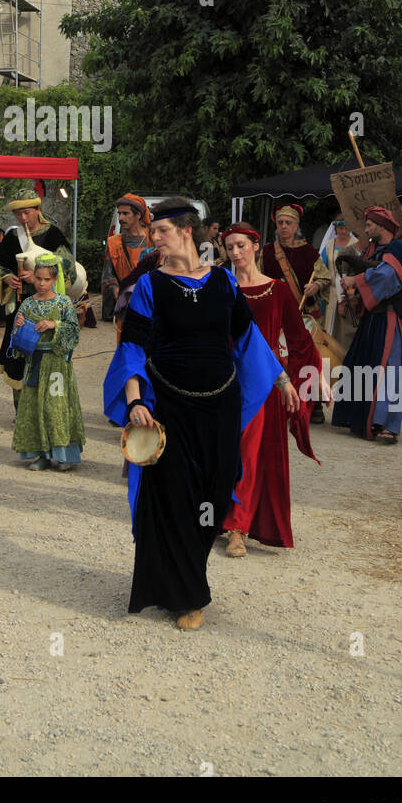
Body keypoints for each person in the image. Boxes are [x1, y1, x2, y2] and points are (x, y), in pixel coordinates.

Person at [103, 198, 298, 630]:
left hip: (219, 406)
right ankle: (188, 593)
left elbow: (248, 339)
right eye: (153, 232)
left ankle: (184, 574)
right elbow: (132, 347)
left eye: (163, 231)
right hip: (167, 408)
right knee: (173, 494)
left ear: (187, 232)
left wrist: (283, 381)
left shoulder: (223, 283)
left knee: (214, 491)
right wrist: (135, 399)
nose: (154, 238)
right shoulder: (151, 285)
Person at [221, 223, 322, 555]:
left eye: (241, 246)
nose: (235, 253)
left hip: (263, 382)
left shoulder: (276, 290)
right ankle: (215, 517)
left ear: (255, 245)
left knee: (250, 454)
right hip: (223, 378)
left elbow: (298, 337)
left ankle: (238, 528)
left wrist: (314, 373)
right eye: (230, 247)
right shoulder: (220, 286)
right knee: (219, 451)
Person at [332, 206, 402, 444]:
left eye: (370, 225)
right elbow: (375, 268)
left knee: (389, 370)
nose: (366, 229)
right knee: (359, 366)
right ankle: (361, 418)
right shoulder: (376, 249)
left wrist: (356, 279)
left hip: (389, 317)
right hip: (372, 317)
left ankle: (389, 425)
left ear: (382, 226)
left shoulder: (397, 248)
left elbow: (388, 277)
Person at [0, 191, 75, 411]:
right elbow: (1, 265)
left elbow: (67, 270)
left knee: (45, 357)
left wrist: (38, 277)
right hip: (20, 309)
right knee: (19, 355)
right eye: (18, 214)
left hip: (47, 308)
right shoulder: (12, 238)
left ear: (38, 211)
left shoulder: (54, 236)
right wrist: (6, 277)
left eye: (27, 213)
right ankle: (22, 411)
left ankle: (46, 410)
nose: (23, 219)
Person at [11, 253, 84, 471]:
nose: (42, 284)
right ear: (33, 277)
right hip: (34, 362)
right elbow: (16, 339)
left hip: (56, 364)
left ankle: (63, 454)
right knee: (35, 407)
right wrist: (19, 324)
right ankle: (40, 454)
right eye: (38, 278)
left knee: (56, 407)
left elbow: (74, 332)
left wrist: (54, 324)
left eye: (47, 279)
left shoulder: (63, 303)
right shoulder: (27, 303)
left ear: (55, 280)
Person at [262, 202, 331, 423]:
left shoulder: (309, 252)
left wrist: (316, 286)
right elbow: (256, 276)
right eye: (280, 223)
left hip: (303, 315)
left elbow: (325, 277)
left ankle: (314, 404)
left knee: (309, 358)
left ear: (296, 225)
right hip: (276, 315)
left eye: (288, 223)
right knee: (278, 358)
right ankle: (280, 403)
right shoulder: (267, 251)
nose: (283, 227)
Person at [101, 194, 154, 327]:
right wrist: (115, 289)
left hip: (150, 302)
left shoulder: (153, 239)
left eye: (126, 213)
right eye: (119, 213)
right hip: (126, 304)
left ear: (138, 215)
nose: (120, 218)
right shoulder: (114, 242)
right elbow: (108, 274)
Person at [317, 218, 362, 354]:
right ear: (335, 229)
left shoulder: (356, 245)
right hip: (330, 293)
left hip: (350, 293)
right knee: (330, 327)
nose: (343, 231)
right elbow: (322, 267)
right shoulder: (329, 245)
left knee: (347, 329)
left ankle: (347, 357)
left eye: (346, 228)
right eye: (340, 228)